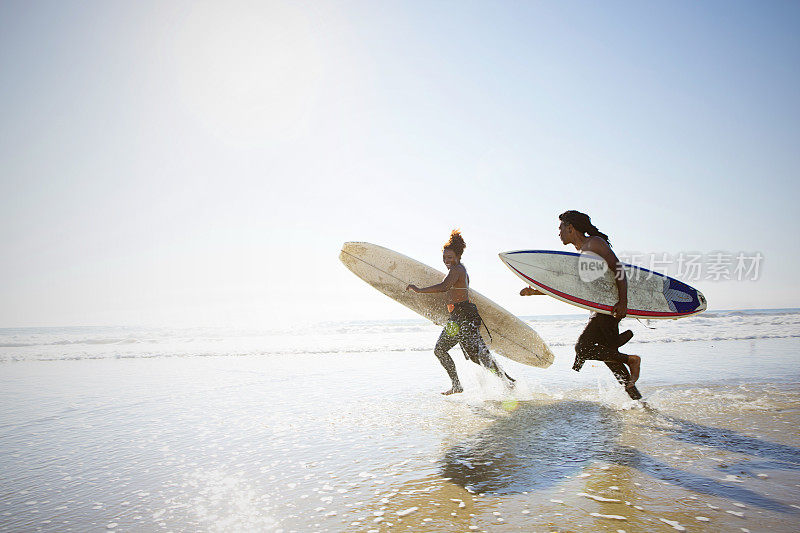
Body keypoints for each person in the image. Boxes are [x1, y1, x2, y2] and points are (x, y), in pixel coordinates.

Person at [520, 211, 642, 398]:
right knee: (611, 359)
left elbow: (619, 269)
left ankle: (632, 360)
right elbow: (571, 288)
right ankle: (637, 400)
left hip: (608, 309)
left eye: (560, 228)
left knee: (583, 348)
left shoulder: (593, 244)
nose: (558, 233)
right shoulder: (580, 252)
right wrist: (535, 291)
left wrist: (623, 301)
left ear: (570, 228)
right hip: (598, 309)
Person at [407, 230, 515, 395]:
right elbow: (456, 296)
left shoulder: (456, 269)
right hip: (461, 316)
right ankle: (506, 380)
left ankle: (461, 384)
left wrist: (419, 290)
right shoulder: (461, 270)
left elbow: (444, 287)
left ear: (457, 256)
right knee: (476, 355)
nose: (446, 260)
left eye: (449, 257)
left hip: (462, 318)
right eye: (444, 258)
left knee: (442, 350)